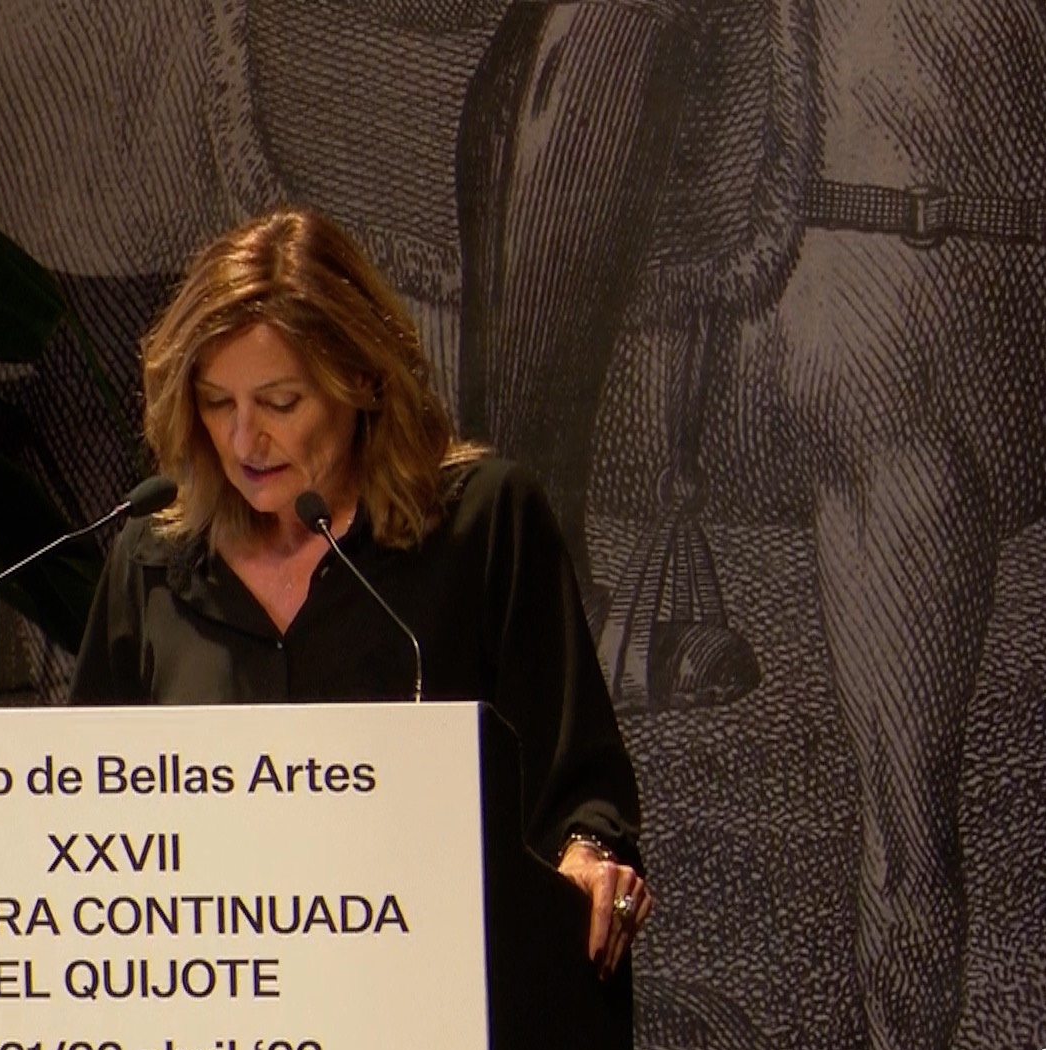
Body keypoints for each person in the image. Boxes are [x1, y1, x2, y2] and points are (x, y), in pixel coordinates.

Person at [71, 206, 652, 974]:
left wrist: (587, 859)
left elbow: (580, 788)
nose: (246, 441)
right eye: (218, 403)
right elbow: (87, 820)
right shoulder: (153, 561)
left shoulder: (483, 525)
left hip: (437, 986)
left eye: (280, 403)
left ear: (364, 383)